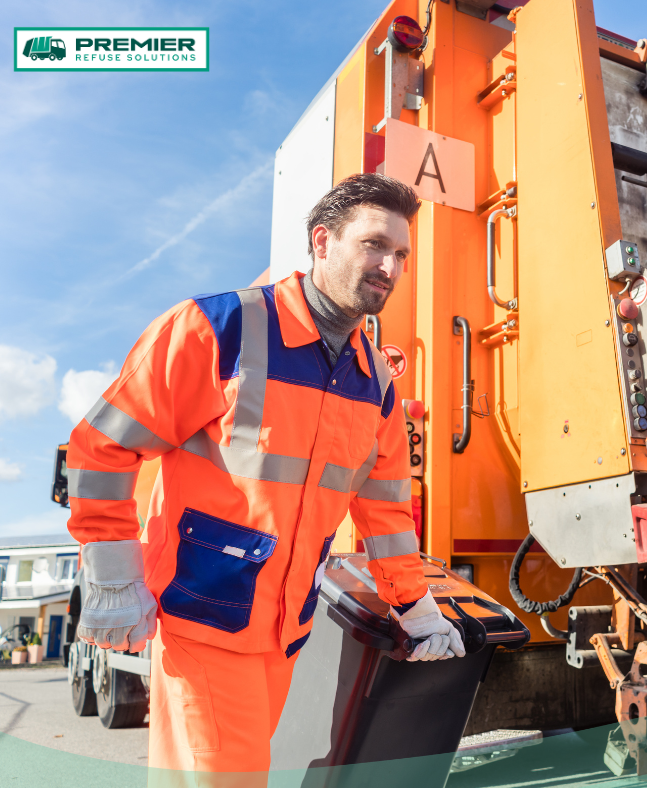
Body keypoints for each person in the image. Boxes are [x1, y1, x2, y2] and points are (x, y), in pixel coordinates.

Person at [65, 173, 464, 782]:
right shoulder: (218, 330)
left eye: (401, 254)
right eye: (374, 245)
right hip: (203, 618)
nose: (389, 265)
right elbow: (102, 447)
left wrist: (415, 606)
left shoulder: (376, 385)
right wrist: (114, 576)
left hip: (284, 635)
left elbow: (385, 516)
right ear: (322, 241)